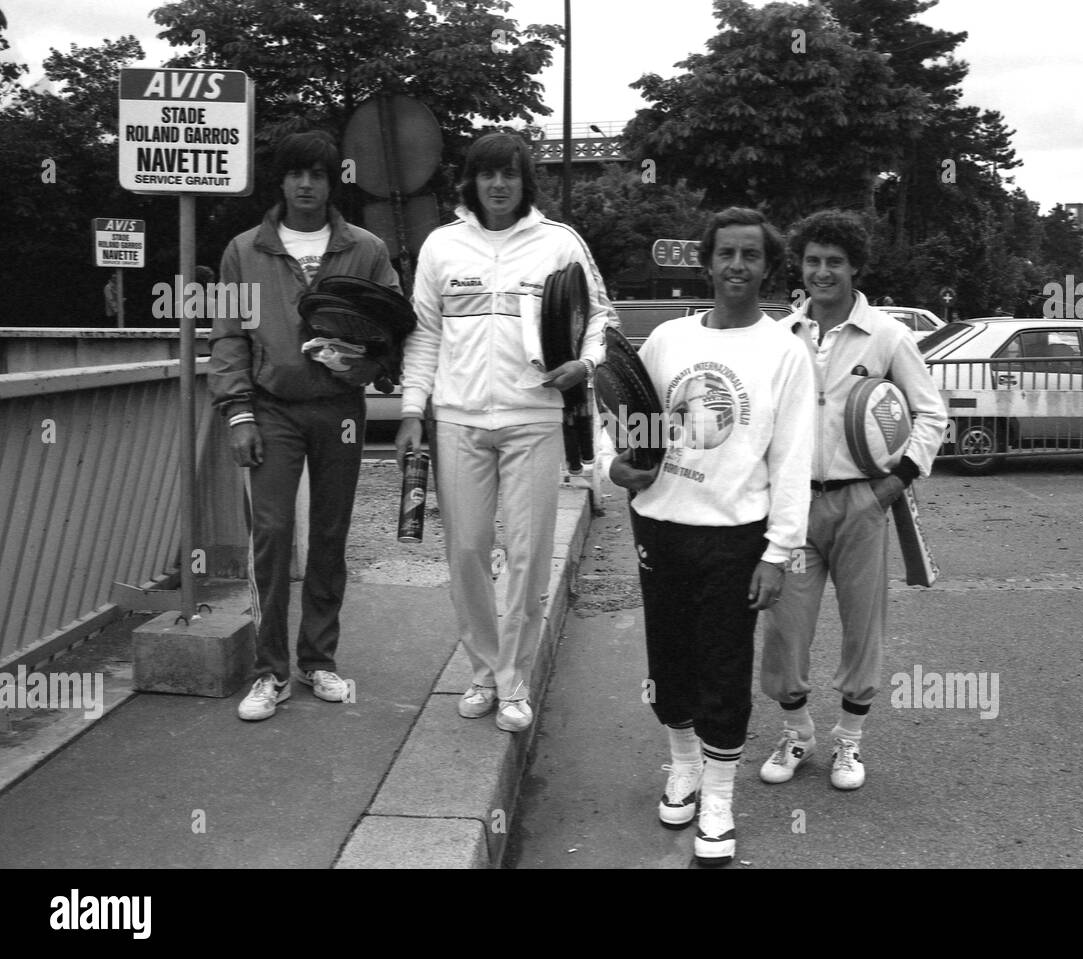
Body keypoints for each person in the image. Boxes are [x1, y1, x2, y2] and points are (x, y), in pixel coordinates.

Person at [609, 207, 815, 867]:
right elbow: (619, 409)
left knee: (724, 665)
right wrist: (612, 463)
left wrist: (779, 551)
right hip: (661, 523)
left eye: (750, 255)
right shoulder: (668, 340)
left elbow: (792, 459)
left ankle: (721, 796)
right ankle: (682, 766)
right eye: (725, 253)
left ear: (767, 267)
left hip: (736, 535)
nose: (736, 266)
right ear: (707, 261)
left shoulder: (784, 352)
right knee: (669, 656)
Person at [396, 131, 613, 734]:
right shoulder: (442, 246)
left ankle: (513, 678)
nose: (499, 185)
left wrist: (587, 364)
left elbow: (599, 314)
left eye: (510, 175)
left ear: (524, 182)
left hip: (534, 418)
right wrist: (414, 410)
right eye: (488, 174)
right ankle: (483, 669)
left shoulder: (559, 242)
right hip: (460, 420)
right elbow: (424, 336)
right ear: (471, 181)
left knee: (526, 553)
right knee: (465, 550)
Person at [209, 130, 400, 721]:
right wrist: (238, 412)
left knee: (330, 533)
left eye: (317, 174)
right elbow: (228, 338)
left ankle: (318, 661)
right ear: (282, 181)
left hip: (339, 409)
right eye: (296, 174)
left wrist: (366, 363)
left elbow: (394, 328)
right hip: (271, 408)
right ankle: (269, 673)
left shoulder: (365, 248)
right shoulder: (245, 250)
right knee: (270, 536)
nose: (306, 185)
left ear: (331, 180)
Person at [758, 209, 946, 791]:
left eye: (834, 262)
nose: (821, 272)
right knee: (784, 628)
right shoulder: (782, 335)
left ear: (855, 267)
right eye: (813, 261)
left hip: (862, 504)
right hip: (792, 511)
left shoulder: (888, 335)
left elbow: (932, 413)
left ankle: (849, 743)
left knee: (863, 627)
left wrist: (895, 483)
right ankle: (797, 732)